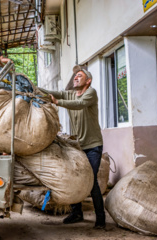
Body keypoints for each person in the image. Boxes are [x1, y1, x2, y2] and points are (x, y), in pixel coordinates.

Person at [40, 66, 106, 229]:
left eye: (79, 75)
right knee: (75, 178)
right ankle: (77, 213)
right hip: (77, 145)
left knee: (91, 182)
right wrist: (33, 87)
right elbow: (50, 92)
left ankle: (101, 219)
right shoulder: (69, 93)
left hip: (92, 146)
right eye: (75, 75)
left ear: (87, 81)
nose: (75, 78)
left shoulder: (91, 93)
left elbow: (79, 104)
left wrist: (58, 102)